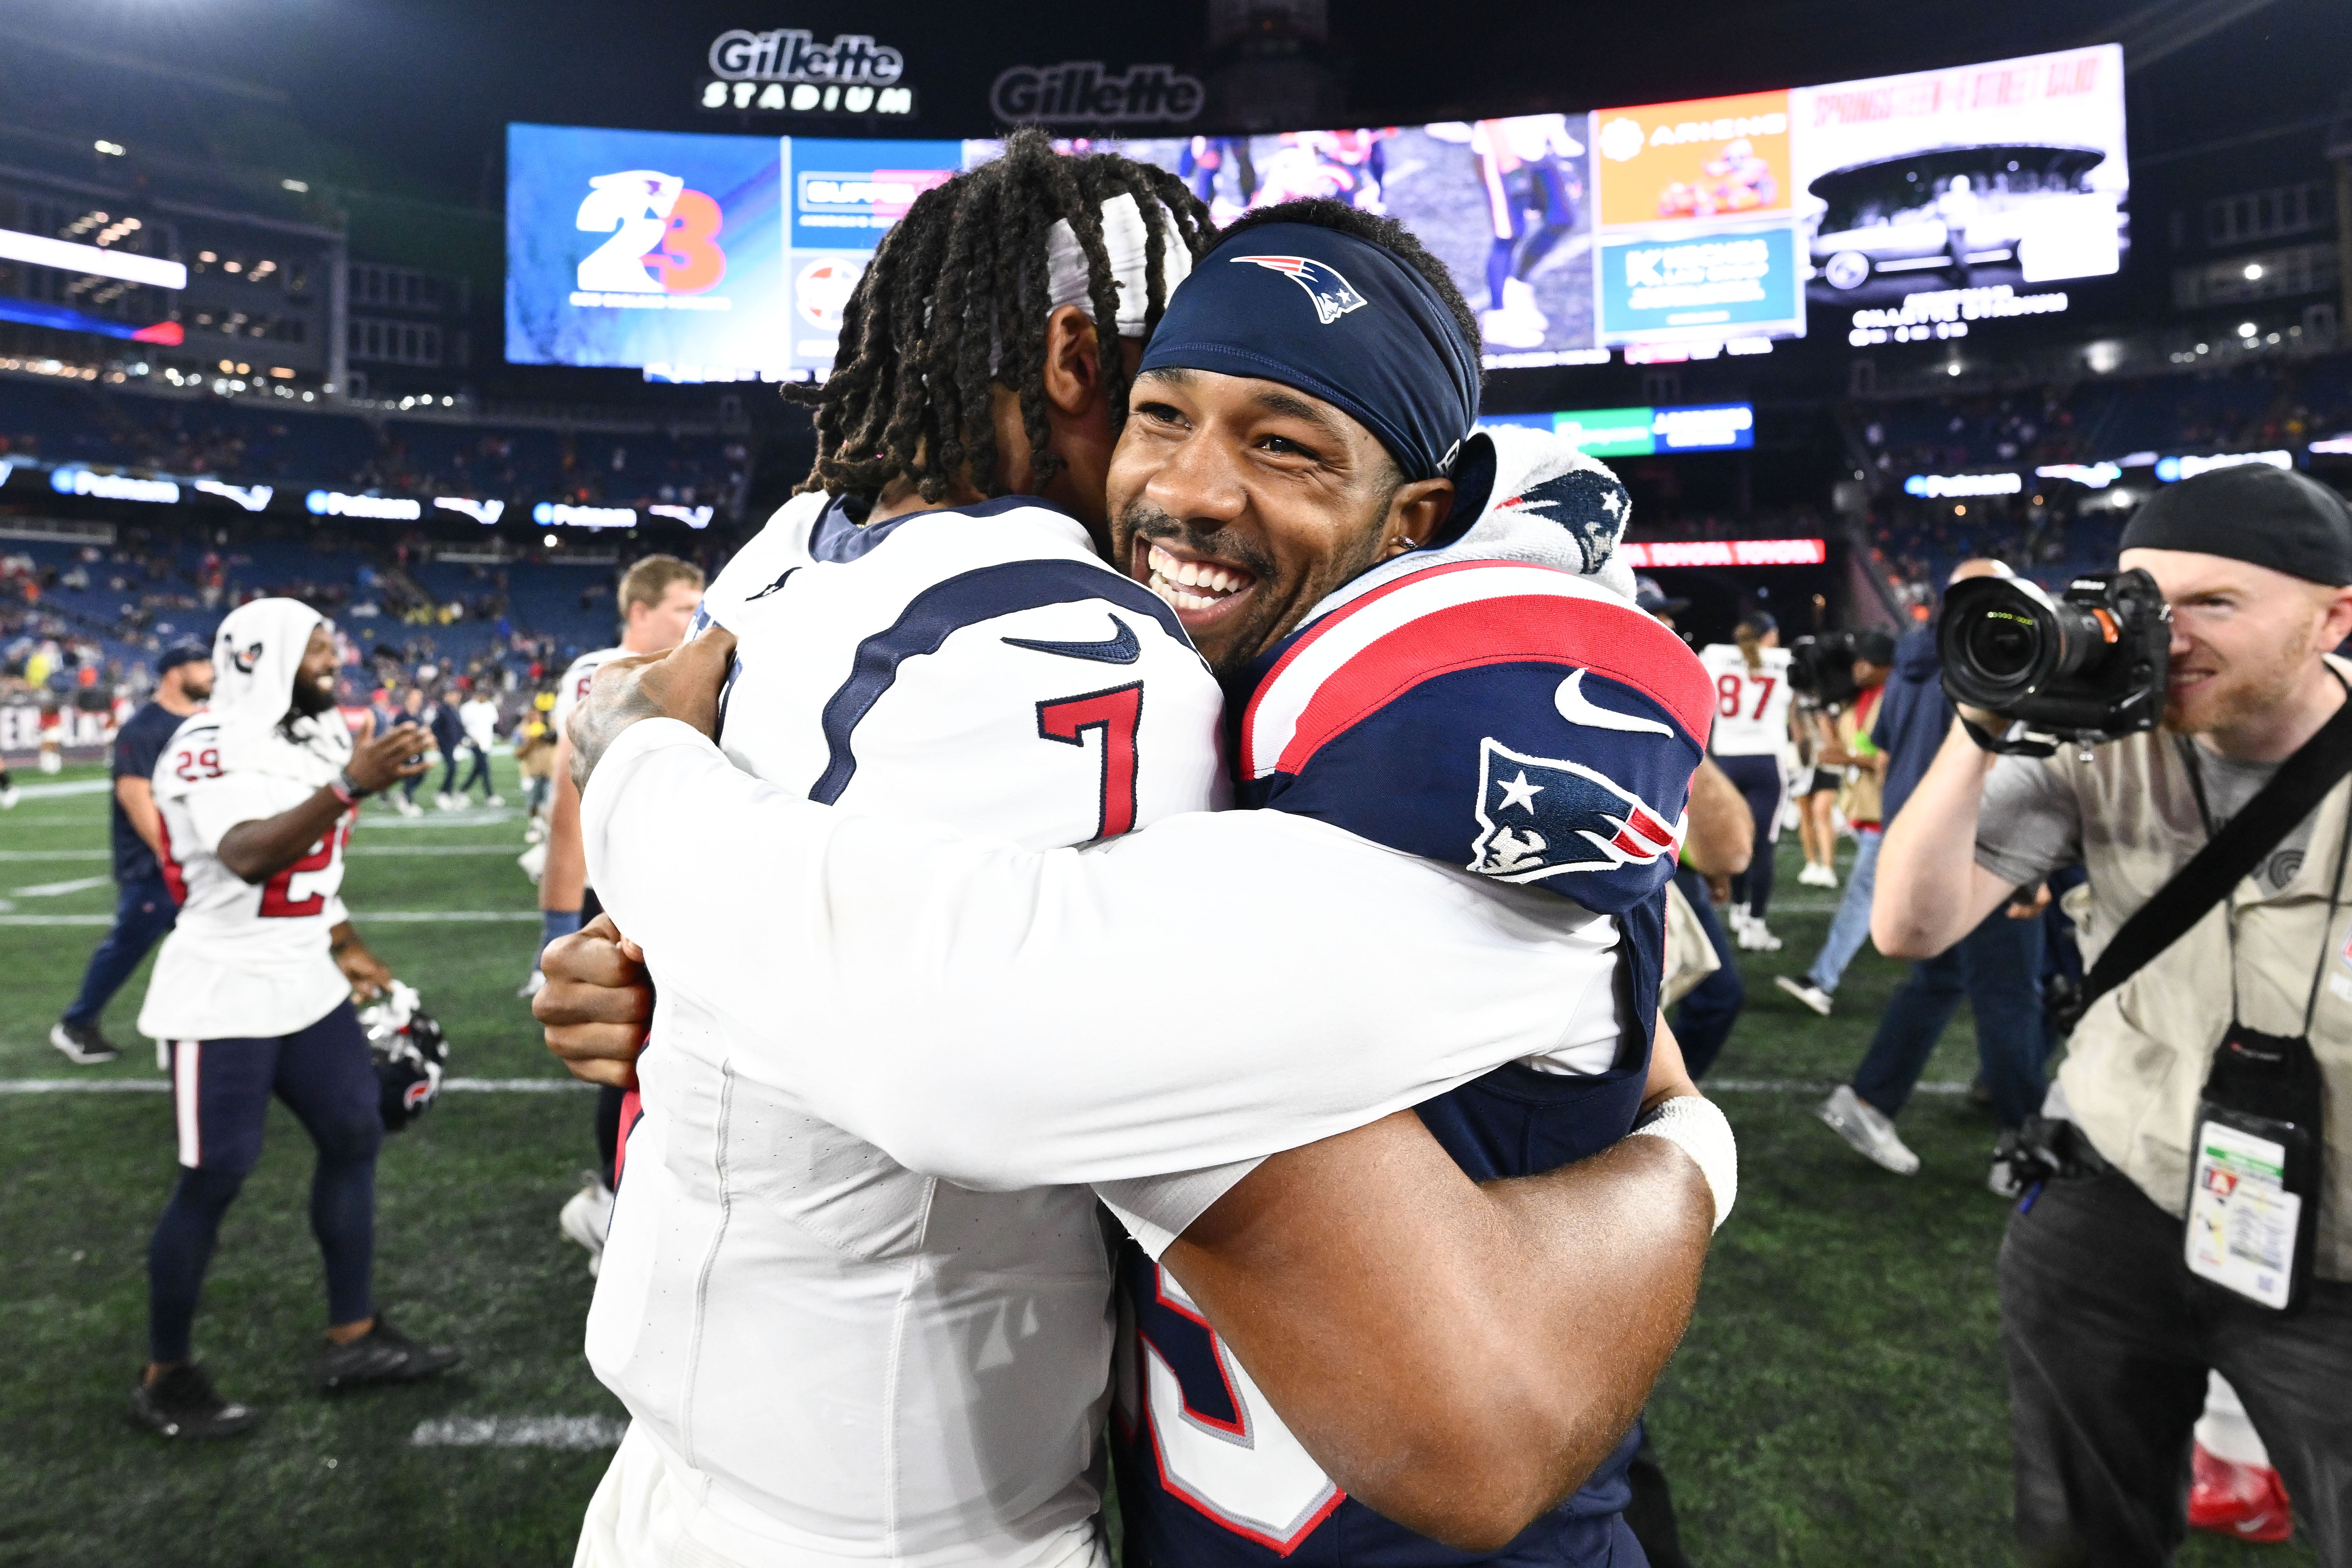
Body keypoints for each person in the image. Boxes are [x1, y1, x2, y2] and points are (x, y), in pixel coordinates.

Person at [544, 175, 1727, 1568]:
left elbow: (968, 1036)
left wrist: (1695, 1155)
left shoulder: (1430, 705)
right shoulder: (1214, 678)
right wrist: (676, 969)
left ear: (1412, 519)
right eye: (1160, 412)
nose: (1184, 488)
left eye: (1283, 444)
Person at [1873, 464, 2352, 1566]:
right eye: (2143, 596)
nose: (2164, 634)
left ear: (2333, 614)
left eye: (2214, 604)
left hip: (2335, 1248)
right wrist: (1985, 719)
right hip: (2115, 1193)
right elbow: (1910, 924)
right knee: (2078, 1539)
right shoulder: (2093, 748)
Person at [129, 599, 459, 1440]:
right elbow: (246, 855)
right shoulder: (204, 742)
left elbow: (315, 867)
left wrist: (348, 945)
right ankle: (166, 1375)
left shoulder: (310, 737)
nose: (332, 665)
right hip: (223, 985)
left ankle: (352, 1336)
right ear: (257, 657)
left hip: (304, 978)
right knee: (216, 1176)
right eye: (316, 652)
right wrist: (353, 782)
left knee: (355, 1135)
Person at [1813, 562, 2050, 1188]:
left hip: (1912, 841)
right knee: (2008, 995)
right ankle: (2021, 1141)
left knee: (1939, 979)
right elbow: (2001, 759)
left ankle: (1868, 1101)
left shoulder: (1911, 659)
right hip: (1978, 845)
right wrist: (2024, 865)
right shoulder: (1996, 654)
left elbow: (1886, 753)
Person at [533, 554, 703, 1275]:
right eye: (679, 607)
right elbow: (569, 822)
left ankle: (621, 1199)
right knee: (632, 1060)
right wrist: (557, 927)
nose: (692, 620)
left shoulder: (688, 666)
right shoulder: (600, 673)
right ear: (638, 609)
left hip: (677, 893)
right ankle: (610, 1204)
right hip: (621, 901)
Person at [50, 643, 214, 1065]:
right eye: (200, 664)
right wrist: (172, 856)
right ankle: (76, 1023)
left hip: (189, 863)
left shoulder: (201, 722)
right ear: (174, 673)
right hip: (153, 865)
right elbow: (135, 794)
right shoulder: (146, 726)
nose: (210, 671)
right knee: (127, 944)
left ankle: (188, 1028)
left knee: (203, 946)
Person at [1774, 629, 1895, 1015]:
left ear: (1885, 667)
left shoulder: (1890, 701)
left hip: (1885, 817)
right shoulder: (1856, 702)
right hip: (1864, 813)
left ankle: (1821, 981)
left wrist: (1849, 760)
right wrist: (1822, 712)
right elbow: (1835, 750)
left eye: (1867, 663)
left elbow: (1886, 764)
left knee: (1859, 900)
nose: (1858, 669)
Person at [1700, 615, 1796, 952]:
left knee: (1734, 839)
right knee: (1763, 845)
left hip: (1725, 761)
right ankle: (1754, 924)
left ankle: (1739, 911)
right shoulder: (1784, 661)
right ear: (1770, 636)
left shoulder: (1713, 655)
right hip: (1766, 762)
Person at [454, 686, 501, 806]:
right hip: (474, 742)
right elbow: (463, 725)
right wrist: (471, 738)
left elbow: (493, 722)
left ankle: (462, 792)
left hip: (486, 742)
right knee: (485, 768)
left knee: (479, 769)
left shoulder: (489, 706)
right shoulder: (468, 708)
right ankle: (490, 796)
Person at [391, 687, 432, 817]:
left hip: (418, 750)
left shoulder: (419, 715)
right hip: (407, 751)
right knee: (411, 774)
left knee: (422, 773)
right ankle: (409, 803)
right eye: (416, 698)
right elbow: (396, 732)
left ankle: (404, 795)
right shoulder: (402, 716)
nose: (418, 701)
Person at [427, 687, 466, 810]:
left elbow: (458, 728)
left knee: (454, 768)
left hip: (452, 744)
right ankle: (444, 793)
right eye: (454, 694)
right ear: (447, 696)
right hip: (445, 744)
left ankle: (447, 792)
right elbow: (435, 727)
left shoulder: (453, 710)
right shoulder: (442, 710)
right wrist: (436, 742)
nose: (457, 697)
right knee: (452, 767)